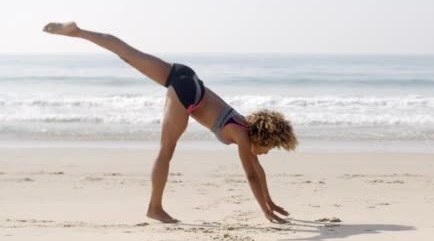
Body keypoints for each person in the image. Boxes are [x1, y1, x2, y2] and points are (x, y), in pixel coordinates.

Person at [43, 22, 297, 224]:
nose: (265, 153)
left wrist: (270, 202)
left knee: (129, 55)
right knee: (166, 150)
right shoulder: (242, 136)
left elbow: (257, 170)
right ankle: (155, 208)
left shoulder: (242, 123)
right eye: (270, 148)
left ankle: (77, 32)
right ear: (265, 138)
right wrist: (265, 210)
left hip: (186, 75)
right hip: (190, 96)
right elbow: (252, 174)